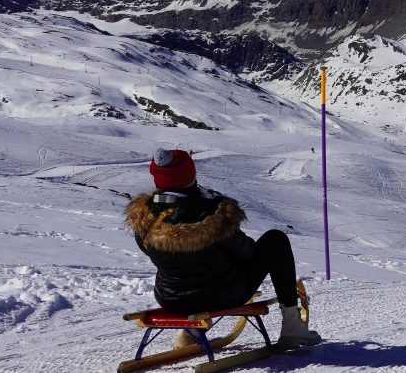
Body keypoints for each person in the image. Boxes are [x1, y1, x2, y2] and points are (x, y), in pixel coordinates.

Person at [125, 147, 321, 348]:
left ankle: (191, 333)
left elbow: (155, 253)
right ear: (190, 175)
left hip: (170, 299)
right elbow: (247, 253)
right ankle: (292, 327)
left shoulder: (144, 219)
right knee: (276, 240)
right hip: (220, 296)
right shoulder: (213, 214)